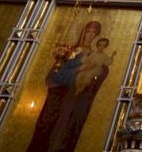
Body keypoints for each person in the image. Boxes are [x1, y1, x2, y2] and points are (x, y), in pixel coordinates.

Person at [28, 21, 110, 152]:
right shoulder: (70, 50)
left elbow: (97, 75)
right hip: (57, 96)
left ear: (97, 36)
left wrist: (99, 71)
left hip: (75, 99)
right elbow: (53, 75)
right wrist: (78, 70)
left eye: (94, 33)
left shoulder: (94, 55)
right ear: (83, 32)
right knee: (47, 127)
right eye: (88, 31)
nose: (90, 35)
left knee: (66, 130)